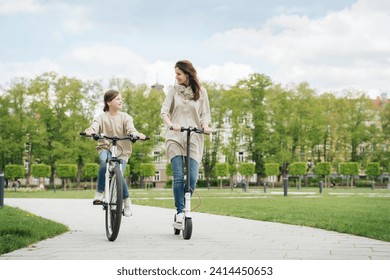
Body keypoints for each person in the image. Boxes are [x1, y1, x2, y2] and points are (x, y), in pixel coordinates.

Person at [160, 60, 212, 228]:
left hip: (195, 138)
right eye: (175, 74)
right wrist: (170, 124)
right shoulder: (173, 91)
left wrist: (205, 126)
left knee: (192, 178)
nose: (176, 77)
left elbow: (205, 114)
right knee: (178, 177)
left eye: (179, 74)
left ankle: (183, 207)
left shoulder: (201, 92)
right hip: (175, 137)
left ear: (188, 74)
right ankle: (181, 212)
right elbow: (164, 112)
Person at [85, 89, 146, 217]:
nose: (121, 101)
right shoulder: (101, 117)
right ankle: (99, 193)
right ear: (109, 102)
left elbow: (131, 129)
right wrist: (90, 131)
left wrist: (136, 134)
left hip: (122, 152)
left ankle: (126, 201)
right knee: (103, 162)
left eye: (121, 98)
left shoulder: (126, 117)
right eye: (118, 99)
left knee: (120, 175)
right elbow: (94, 126)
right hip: (105, 148)